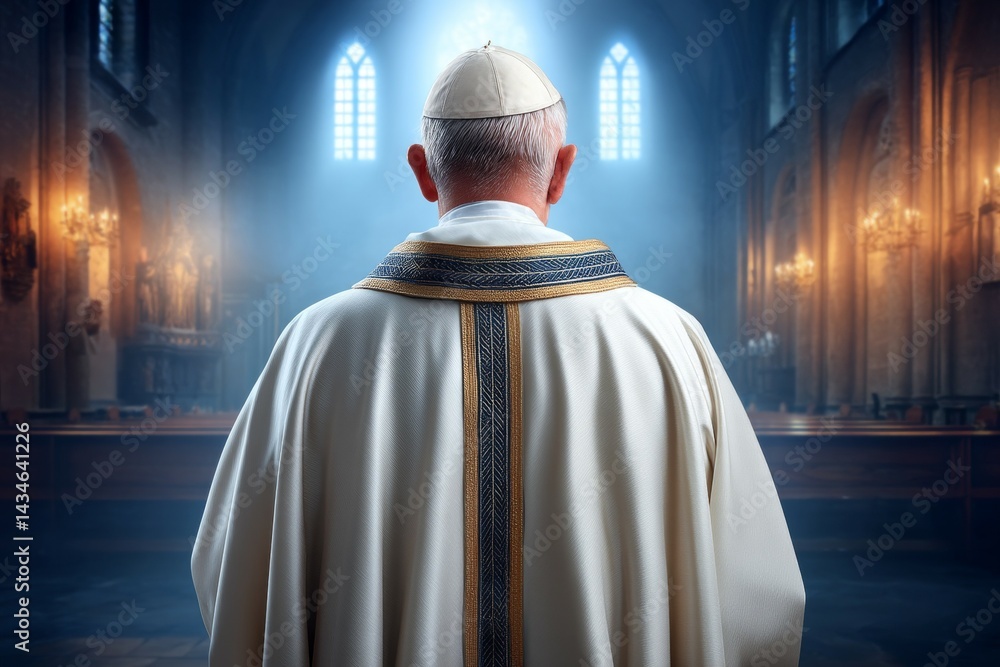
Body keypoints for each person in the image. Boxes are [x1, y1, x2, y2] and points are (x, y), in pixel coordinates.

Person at [192, 43, 805, 666]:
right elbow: (759, 600)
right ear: (562, 170)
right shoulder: (670, 342)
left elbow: (231, 568)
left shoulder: (314, 345)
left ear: (422, 170)